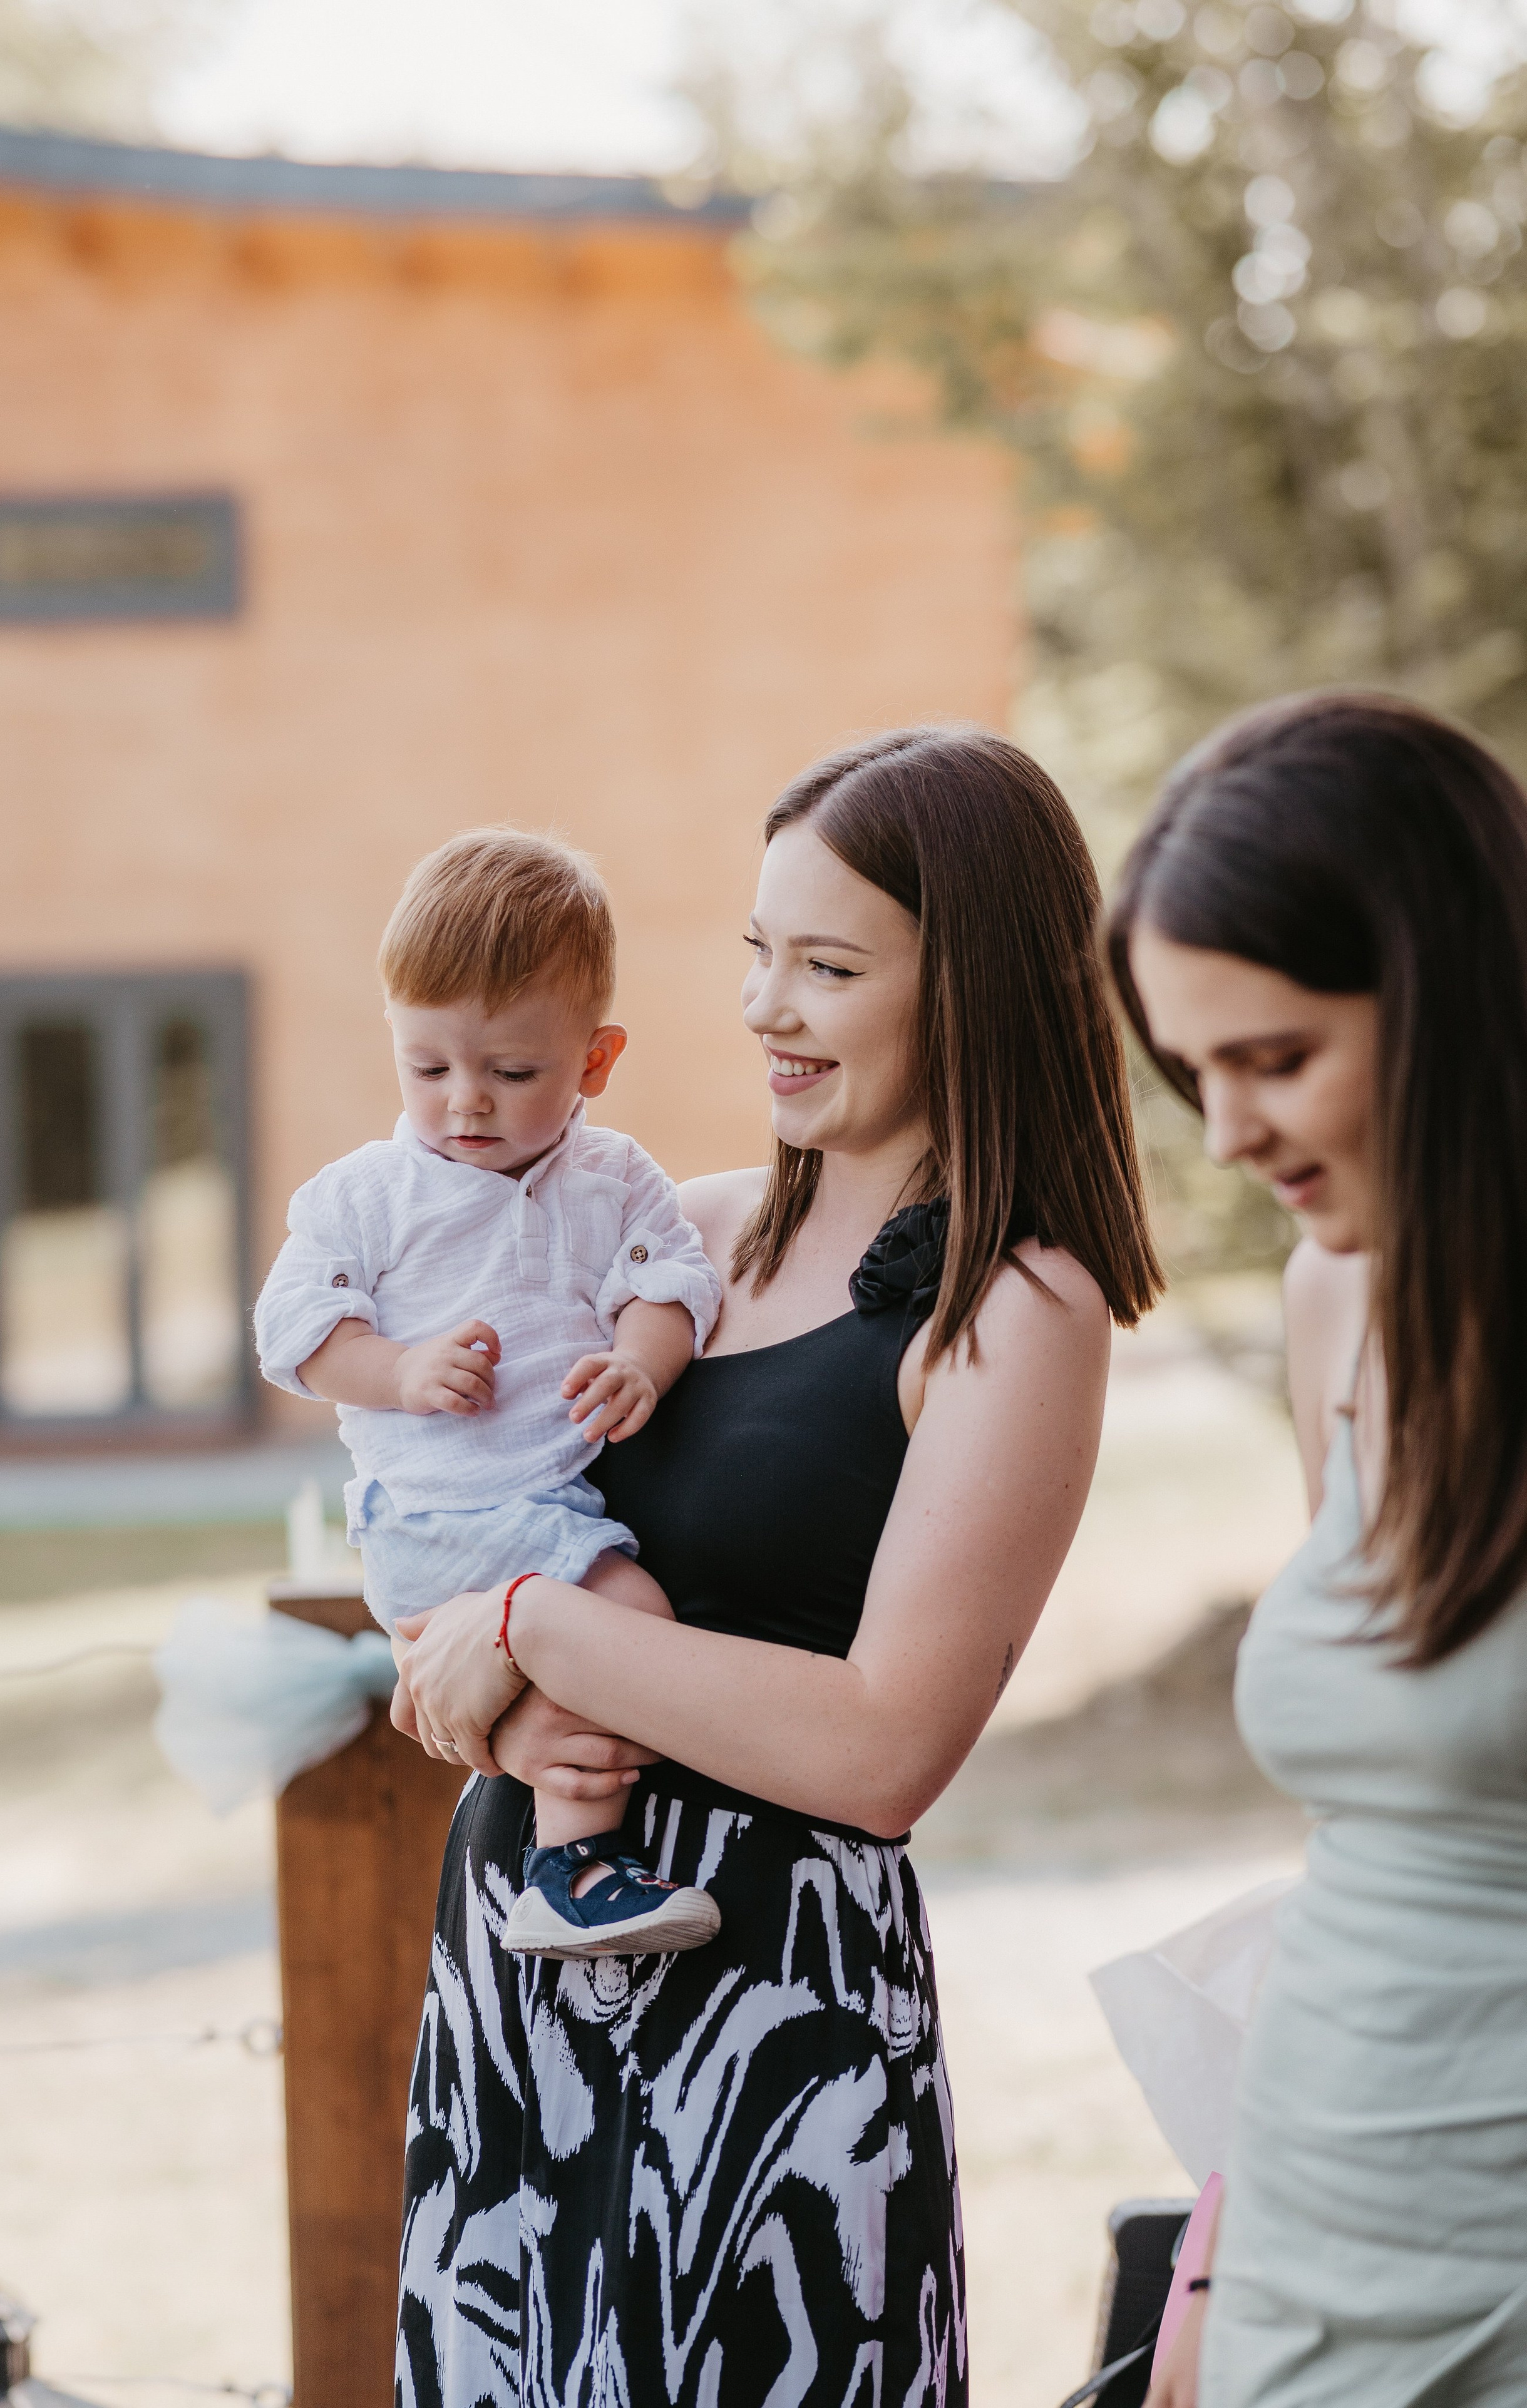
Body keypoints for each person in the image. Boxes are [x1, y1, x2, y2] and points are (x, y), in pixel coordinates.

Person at [389, 727, 1161, 2407]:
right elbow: (445, 1500)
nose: (764, 1007)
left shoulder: (1013, 1305)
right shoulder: (663, 1228)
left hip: (770, 2030)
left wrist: (535, 1633)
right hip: (524, 1983)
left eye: (826, 965)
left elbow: (883, 1752)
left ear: (969, 989)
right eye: (756, 952)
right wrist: (500, 1700)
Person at [1110, 692, 1527, 2407]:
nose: (1226, 1135)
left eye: (1275, 1061)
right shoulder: (1334, 1295)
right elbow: (1348, 1845)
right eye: (1194, 1071)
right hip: (1313, 2244)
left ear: (1450, 997)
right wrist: (1220, 2247)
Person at [253, 827, 724, 1957]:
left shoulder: (611, 1179)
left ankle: (544, 1814)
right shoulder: (365, 1196)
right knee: (637, 1626)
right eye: (429, 1068)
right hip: (433, 1521)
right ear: (395, 1042)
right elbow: (296, 1331)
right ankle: (572, 1860)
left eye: (512, 1073)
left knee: (615, 1645)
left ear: (596, 1061)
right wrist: (402, 1374)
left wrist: (639, 1362)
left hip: (549, 1511)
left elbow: (674, 1281)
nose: (465, 1101)